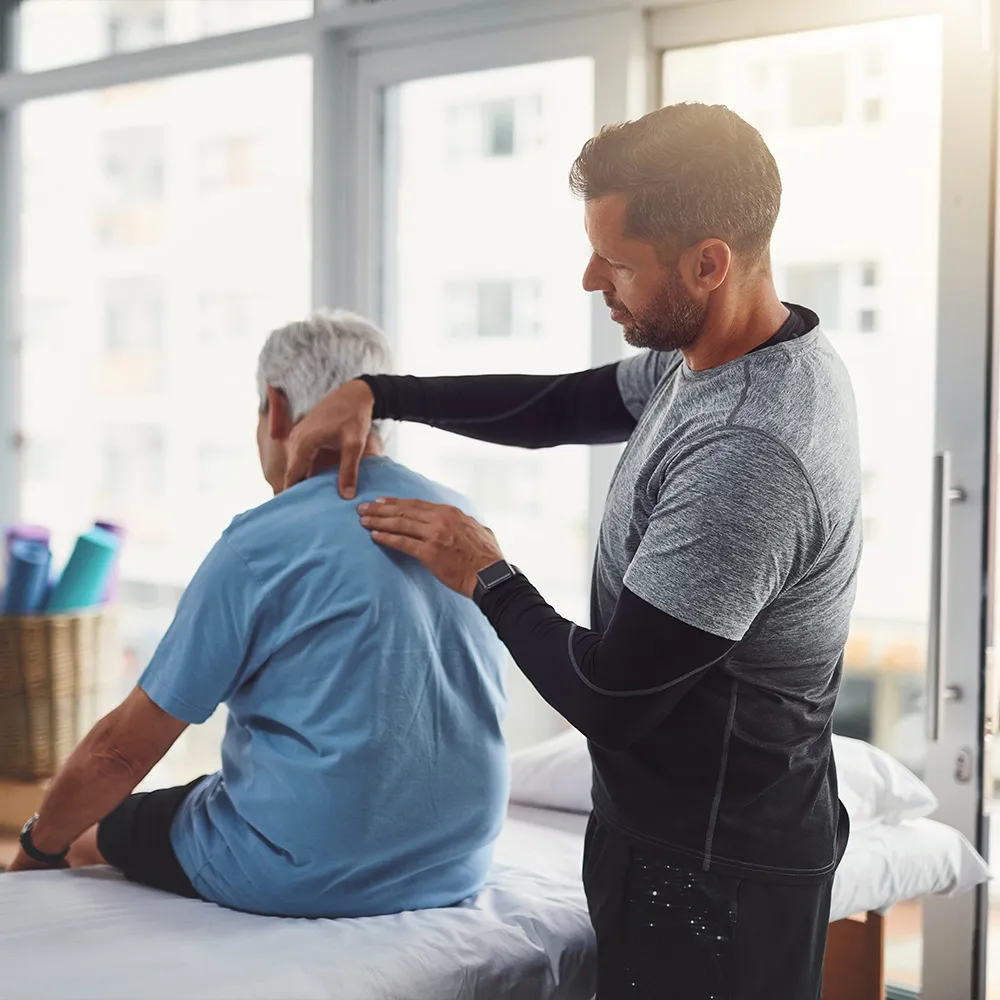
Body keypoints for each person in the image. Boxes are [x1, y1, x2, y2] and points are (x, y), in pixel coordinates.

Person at [284, 103, 860, 998]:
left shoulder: (748, 451)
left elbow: (613, 699)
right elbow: (559, 406)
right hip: (685, 844)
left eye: (617, 262)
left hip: (712, 877)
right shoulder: (721, 352)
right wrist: (380, 392)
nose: (592, 279)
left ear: (708, 263)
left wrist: (485, 574)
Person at [7, 309, 509, 921]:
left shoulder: (260, 543)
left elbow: (119, 754)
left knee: (91, 830)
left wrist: (32, 850)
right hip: (455, 864)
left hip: (300, 871)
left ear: (275, 409)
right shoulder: (460, 522)